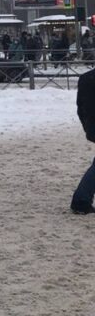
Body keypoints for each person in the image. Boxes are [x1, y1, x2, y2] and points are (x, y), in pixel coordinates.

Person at [71, 65, 95, 214]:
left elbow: (80, 107)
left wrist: (88, 127)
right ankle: (81, 200)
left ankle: (82, 199)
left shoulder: (86, 78)